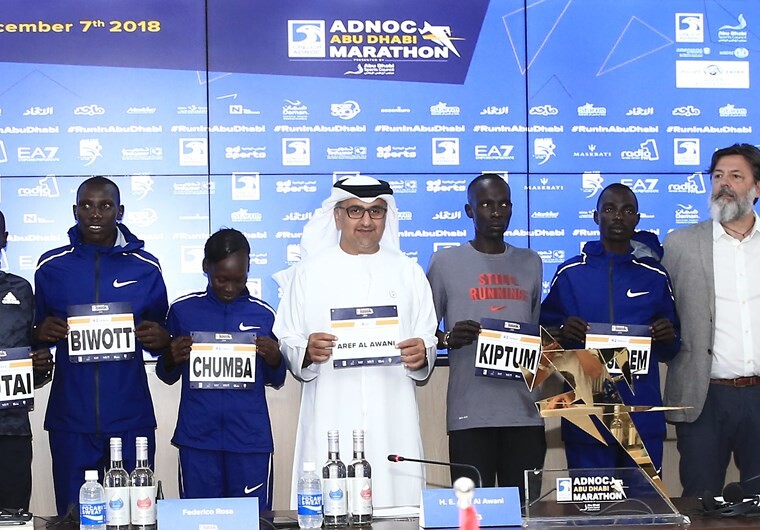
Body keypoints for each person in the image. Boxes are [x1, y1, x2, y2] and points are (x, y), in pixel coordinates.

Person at [273, 175, 438, 509]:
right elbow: (287, 338)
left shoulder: (408, 273)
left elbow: (428, 337)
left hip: (392, 414)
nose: (366, 221)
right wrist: (306, 352)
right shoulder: (308, 273)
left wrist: (423, 354)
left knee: (397, 505)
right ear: (337, 216)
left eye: (376, 211)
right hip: (330, 410)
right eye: (355, 211)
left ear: (386, 216)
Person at [33, 176, 170, 515]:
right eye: (87, 205)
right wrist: (39, 333)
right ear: (75, 210)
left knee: (135, 514)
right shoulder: (51, 266)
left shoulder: (146, 267)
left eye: (105, 206)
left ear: (119, 211)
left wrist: (162, 339)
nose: (95, 214)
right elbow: (34, 334)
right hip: (71, 418)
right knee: (74, 517)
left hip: (130, 416)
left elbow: (162, 333)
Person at [541, 183, 679, 473]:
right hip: (588, 421)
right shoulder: (570, 273)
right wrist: (563, 330)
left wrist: (668, 336)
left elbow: (672, 347)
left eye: (627, 210)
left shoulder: (655, 276)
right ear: (596, 217)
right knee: (594, 503)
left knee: (645, 501)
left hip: (643, 418)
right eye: (609, 209)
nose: (618, 216)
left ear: (637, 219)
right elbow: (545, 340)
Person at [425, 174, 546, 493]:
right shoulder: (444, 262)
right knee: (473, 513)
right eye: (486, 204)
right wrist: (448, 338)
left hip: (525, 413)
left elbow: (534, 329)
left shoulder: (531, 262)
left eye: (504, 204)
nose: (496, 212)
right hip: (471, 413)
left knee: (526, 512)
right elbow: (423, 330)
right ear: (469, 210)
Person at [156, 228, 285, 511]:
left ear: (248, 270)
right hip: (198, 440)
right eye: (221, 279)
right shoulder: (182, 310)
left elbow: (276, 379)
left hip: (250, 440)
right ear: (206, 267)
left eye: (239, 279)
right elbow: (166, 375)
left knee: (253, 523)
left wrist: (276, 358)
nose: (229, 288)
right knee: (199, 521)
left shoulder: (264, 314)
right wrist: (171, 357)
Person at [663, 143, 760, 497]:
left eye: (736, 176)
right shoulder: (680, 244)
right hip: (703, 399)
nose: (724, 184)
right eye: (718, 176)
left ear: (757, 187)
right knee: (700, 502)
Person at [0, 210, 53, 510]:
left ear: (4, 239)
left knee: (12, 520)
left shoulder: (21, 290)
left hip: (11, 431)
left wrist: (40, 367)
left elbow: (36, 360)